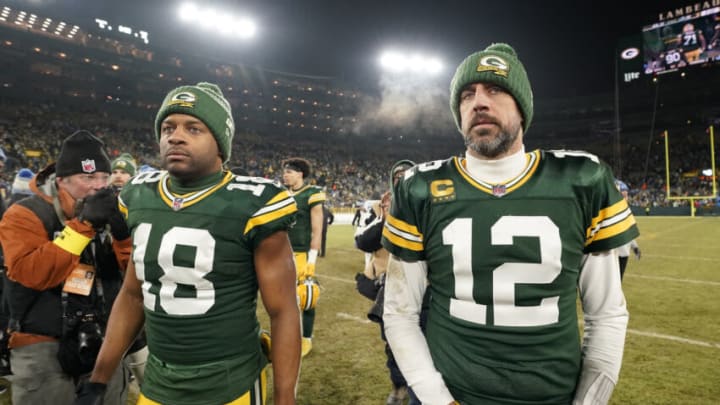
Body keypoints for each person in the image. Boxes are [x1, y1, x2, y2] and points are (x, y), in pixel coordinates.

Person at [381, 43, 639, 405]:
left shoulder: (582, 178)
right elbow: (400, 312)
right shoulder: (419, 186)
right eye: (467, 94)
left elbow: (607, 313)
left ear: (523, 107)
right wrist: (438, 400)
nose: (479, 102)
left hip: (551, 394)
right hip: (449, 392)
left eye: (496, 90)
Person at [75, 82, 301, 405]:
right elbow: (133, 295)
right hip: (158, 382)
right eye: (168, 128)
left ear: (220, 143)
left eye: (193, 128)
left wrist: (284, 398)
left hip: (229, 382)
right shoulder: (139, 195)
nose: (175, 136)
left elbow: (283, 312)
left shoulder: (253, 203)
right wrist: (99, 379)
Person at [0, 130, 131, 405]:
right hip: (42, 341)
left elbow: (135, 277)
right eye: (88, 178)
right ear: (61, 180)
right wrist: (82, 226)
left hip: (104, 339)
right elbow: (31, 274)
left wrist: (123, 237)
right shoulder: (25, 214)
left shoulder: (112, 211)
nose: (99, 186)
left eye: (103, 177)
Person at [355, 160, 419, 405]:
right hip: (392, 291)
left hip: (427, 291)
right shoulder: (380, 210)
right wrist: (388, 217)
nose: (402, 180)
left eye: (408, 176)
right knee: (395, 346)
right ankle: (399, 388)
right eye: (398, 177)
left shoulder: (432, 206)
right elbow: (363, 242)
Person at [282, 157, 326, 357]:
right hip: (282, 253)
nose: (285, 175)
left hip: (301, 253)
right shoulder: (281, 194)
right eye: (284, 172)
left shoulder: (312, 193)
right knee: (283, 299)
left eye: (289, 172)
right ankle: (288, 337)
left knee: (308, 296)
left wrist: (312, 260)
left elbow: (317, 230)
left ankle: (306, 338)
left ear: (300, 174)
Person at [614, 180, 641, 280]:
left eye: (626, 195)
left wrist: (635, 247)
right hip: (613, 255)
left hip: (623, 253)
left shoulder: (625, 211)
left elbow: (628, 232)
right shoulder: (610, 212)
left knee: (617, 283)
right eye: (623, 195)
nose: (626, 198)